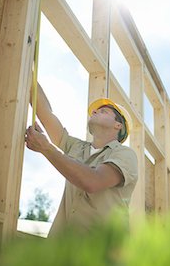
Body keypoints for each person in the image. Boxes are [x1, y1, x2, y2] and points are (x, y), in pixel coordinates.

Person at [25, 83, 138, 236]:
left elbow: (93, 182)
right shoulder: (76, 147)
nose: (95, 111)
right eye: (95, 111)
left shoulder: (125, 155)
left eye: (103, 111)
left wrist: (47, 148)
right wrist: (31, 73)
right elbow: (46, 113)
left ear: (118, 125)